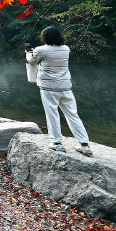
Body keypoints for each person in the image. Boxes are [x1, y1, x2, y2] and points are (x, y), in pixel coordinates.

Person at [26, 26, 93, 156]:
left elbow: (32, 61)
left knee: (52, 114)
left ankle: (56, 143)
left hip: (49, 88)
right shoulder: (66, 49)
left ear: (45, 37)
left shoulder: (40, 50)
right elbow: (50, 54)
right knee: (73, 115)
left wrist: (28, 52)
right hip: (65, 87)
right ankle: (85, 144)